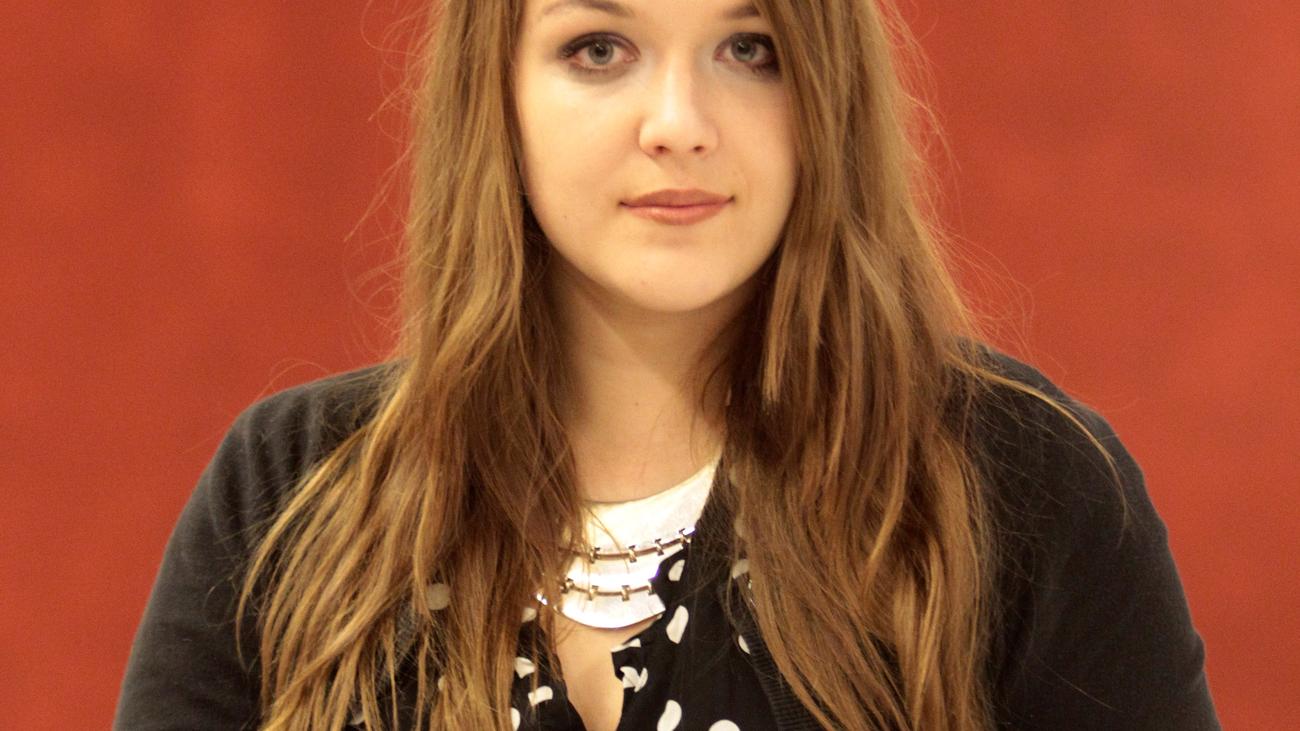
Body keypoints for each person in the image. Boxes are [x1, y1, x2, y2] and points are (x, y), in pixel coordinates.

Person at [114, 0, 1221, 729]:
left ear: (827, 90)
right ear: (496, 91)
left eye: (751, 49)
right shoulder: (294, 489)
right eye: (599, 49)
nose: (679, 123)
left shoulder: (1019, 488)